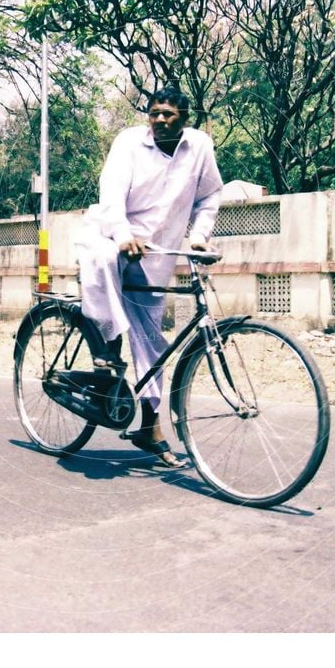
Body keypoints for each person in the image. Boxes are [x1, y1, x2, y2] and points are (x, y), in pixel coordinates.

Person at [76, 86, 223, 468]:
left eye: (169, 114)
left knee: (151, 344)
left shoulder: (200, 148)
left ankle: (149, 427)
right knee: (106, 262)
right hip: (111, 235)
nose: (159, 119)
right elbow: (110, 193)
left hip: (157, 255)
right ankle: (105, 355)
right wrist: (123, 235)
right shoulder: (128, 143)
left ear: (185, 118)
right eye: (154, 113)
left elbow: (209, 197)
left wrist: (199, 237)